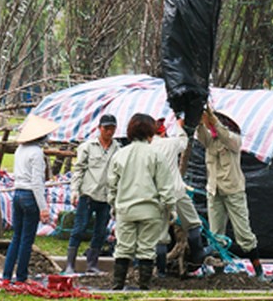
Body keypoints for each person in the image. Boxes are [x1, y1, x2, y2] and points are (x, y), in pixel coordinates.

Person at [107, 112, 175, 290]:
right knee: (147, 249)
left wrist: (113, 205)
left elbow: (111, 185)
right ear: (150, 132)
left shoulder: (120, 154)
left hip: (125, 210)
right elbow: (165, 186)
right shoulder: (156, 155)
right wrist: (170, 208)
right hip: (150, 211)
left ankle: (117, 286)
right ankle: (144, 287)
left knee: (123, 249)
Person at [196, 109, 264, 279]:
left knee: (244, 234)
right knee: (215, 234)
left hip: (233, 190)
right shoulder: (210, 142)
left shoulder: (233, 140)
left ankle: (259, 272)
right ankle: (219, 272)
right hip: (214, 190)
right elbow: (201, 135)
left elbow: (225, 136)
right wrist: (199, 118)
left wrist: (213, 120)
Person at [2, 113, 57, 284]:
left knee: (16, 237)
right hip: (29, 196)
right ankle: (21, 277)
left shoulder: (20, 150)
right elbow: (37, 183)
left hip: (17, 194)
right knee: (27, 239)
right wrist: (43, 208)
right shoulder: (36, 153)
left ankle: (6, 275)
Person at [63, 113, 119, 274]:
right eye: (106, 128)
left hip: (107, 196)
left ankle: (92, 264)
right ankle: (70, 265)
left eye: (112, 128)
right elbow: (78, 170)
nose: (109, 132)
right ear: (100, 128)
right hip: (88, 194)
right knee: (79, 229)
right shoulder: (88, 146)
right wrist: (75, 190)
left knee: (101, 231)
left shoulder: (117, 149)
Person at [151, 117, 205, 276]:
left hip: (158, 194)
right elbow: (184, 141)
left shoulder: (147, 148)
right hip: (177, 191)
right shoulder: (171, 143)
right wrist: (180, 125)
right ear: (163, 131)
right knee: (193, 223)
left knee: (160, 235)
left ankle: (160, 272)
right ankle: (198, 256)